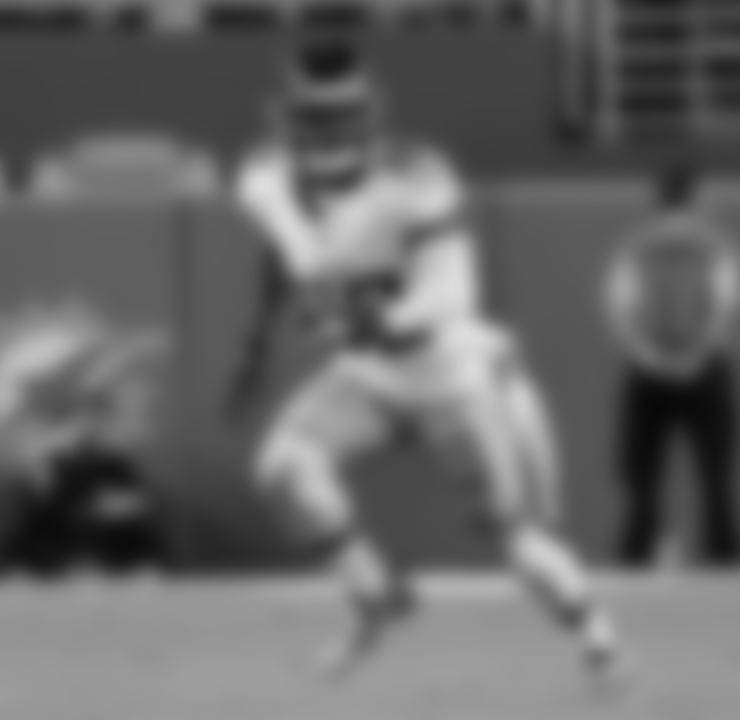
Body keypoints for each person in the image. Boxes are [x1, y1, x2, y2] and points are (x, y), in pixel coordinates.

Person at [226, 36, 621, 679]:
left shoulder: (417, 177)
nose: (325, 133)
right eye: (313, 118)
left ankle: (599, 637)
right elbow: (280, 254)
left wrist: (376, 316)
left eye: (337, 118)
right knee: (282, 466)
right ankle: (373, 595)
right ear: (288, 116)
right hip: (368, 376)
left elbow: (452, 296)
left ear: (368, 115)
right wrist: (257, 341)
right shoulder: (265, 179)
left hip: (447, 375)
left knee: (516, 538)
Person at [0, 302, 169, 576]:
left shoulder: (116, 468)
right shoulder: (47, 463)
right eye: (79, 417)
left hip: (116, 560)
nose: (86, 426)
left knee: (140, 564)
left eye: (95, 416)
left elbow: (129, 513)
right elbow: (45, 510)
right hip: (49, 561)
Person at [603, 162, 740, 569]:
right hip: (705, 371)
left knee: (641, 478)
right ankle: (725, 559)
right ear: (698, 198)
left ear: (658, 199)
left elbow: (620, 310)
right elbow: (725, 307)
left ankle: (637, 555)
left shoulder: (635, 246)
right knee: (717, 477)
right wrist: (697, 357)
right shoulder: (715, 245)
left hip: (649, 372)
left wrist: (649, 358)